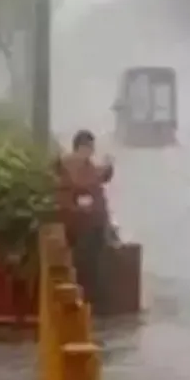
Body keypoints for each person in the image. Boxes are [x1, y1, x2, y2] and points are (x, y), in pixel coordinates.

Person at [57, 129, 115, 307]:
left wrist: (107, 168)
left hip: (91, 225)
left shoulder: (85, 166)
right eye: (88, 147)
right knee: (86, 269)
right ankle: (87, 302)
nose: (90, 151)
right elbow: (86, 181)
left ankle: (90, 301)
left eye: (91, 148)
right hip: (81, 226)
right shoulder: (72, 165)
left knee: (91, 267)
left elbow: (100, 176)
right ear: (80, 147)